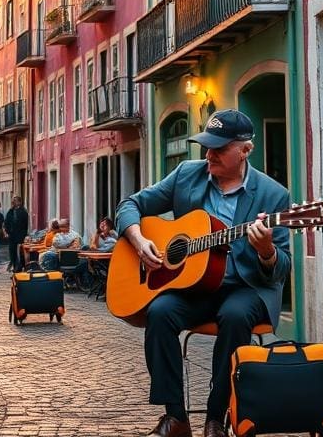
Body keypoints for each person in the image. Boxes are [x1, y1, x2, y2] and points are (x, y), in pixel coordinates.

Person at [116, 109, 291, 437]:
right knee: (160, 311)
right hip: (195, 286)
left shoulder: (273, 195)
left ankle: (216, 417)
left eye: (219, 149)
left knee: (236, 315)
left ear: (245, 150)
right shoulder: (186, 174)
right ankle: (176, 418)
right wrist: (139, 241)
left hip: (245, 286)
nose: (208, 154)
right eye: (206, 146)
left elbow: (281, 269)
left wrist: (266, 251)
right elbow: (129, 205)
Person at [4, 195, 29, 271]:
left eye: (15, 201)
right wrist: (7, 231)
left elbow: (24, 224)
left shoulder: (23, 211)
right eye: (13, 201)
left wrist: (23, 235)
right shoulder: (11, 211)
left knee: (19, 253)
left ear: (20, 202)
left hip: (19, 236)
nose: (13, 202)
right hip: (12, 236)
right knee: (12, 252)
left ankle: (18, 267)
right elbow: (6, 221)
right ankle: (15, 266)